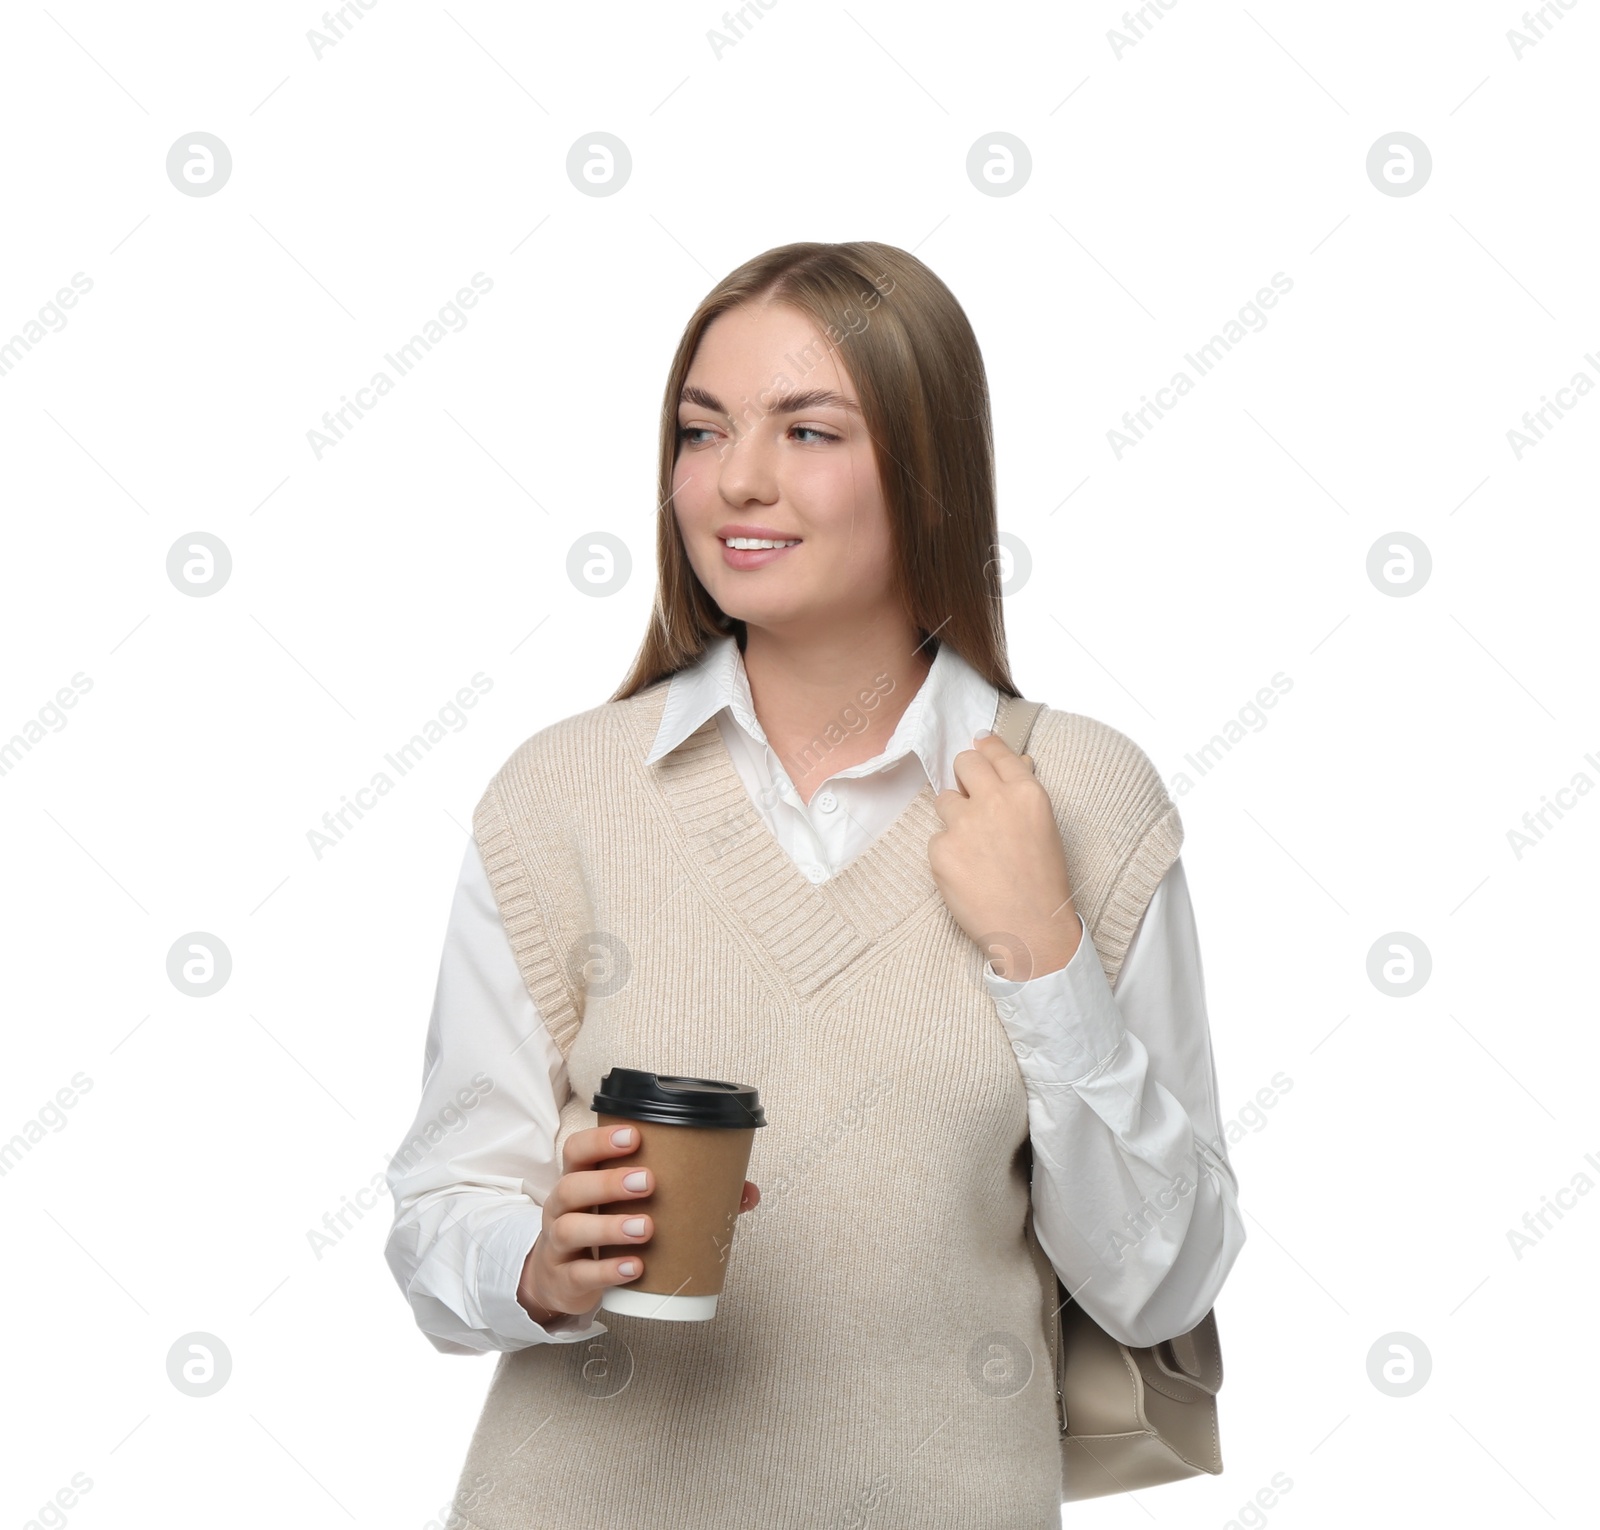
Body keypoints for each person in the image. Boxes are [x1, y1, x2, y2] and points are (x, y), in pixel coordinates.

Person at [383, 239, 1245, 1528]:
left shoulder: (1084, 796)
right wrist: (538, 1265)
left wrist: (1043, 951)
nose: (737, 479)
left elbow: (1159, 1285)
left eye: (809, 431)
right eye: (701, 429)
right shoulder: (561, 795)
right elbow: (445, 1205)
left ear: (932, 473)